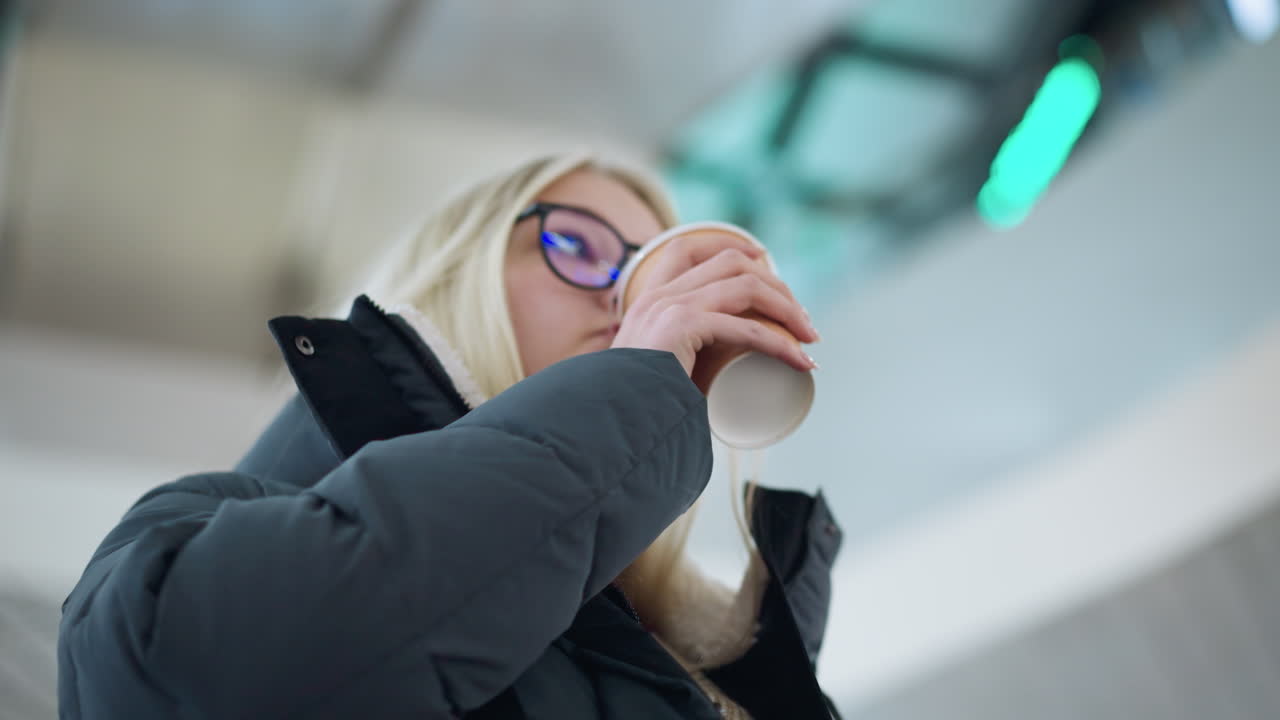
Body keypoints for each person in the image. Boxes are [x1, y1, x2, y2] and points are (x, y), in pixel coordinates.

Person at [56, 151, 844, 719]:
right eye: (576, 246)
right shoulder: (199, 524)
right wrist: (629, 397)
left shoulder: (690, 639)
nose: (623, 302)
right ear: (449, 274)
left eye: (649, 270)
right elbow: (192, 683)